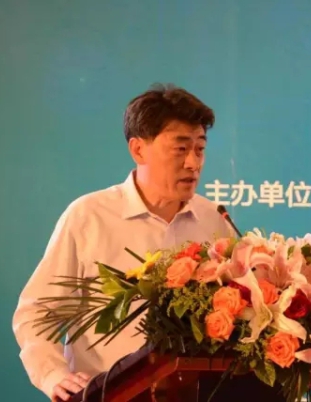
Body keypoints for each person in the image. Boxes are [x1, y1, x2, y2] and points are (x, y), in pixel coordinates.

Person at [12, 83, 236, 401]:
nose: (193, 163)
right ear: (138, 149)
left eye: (199, 149)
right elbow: (37, 313)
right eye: (180, 148)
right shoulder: (89, 217)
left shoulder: (214, 219)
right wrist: (53, 374)